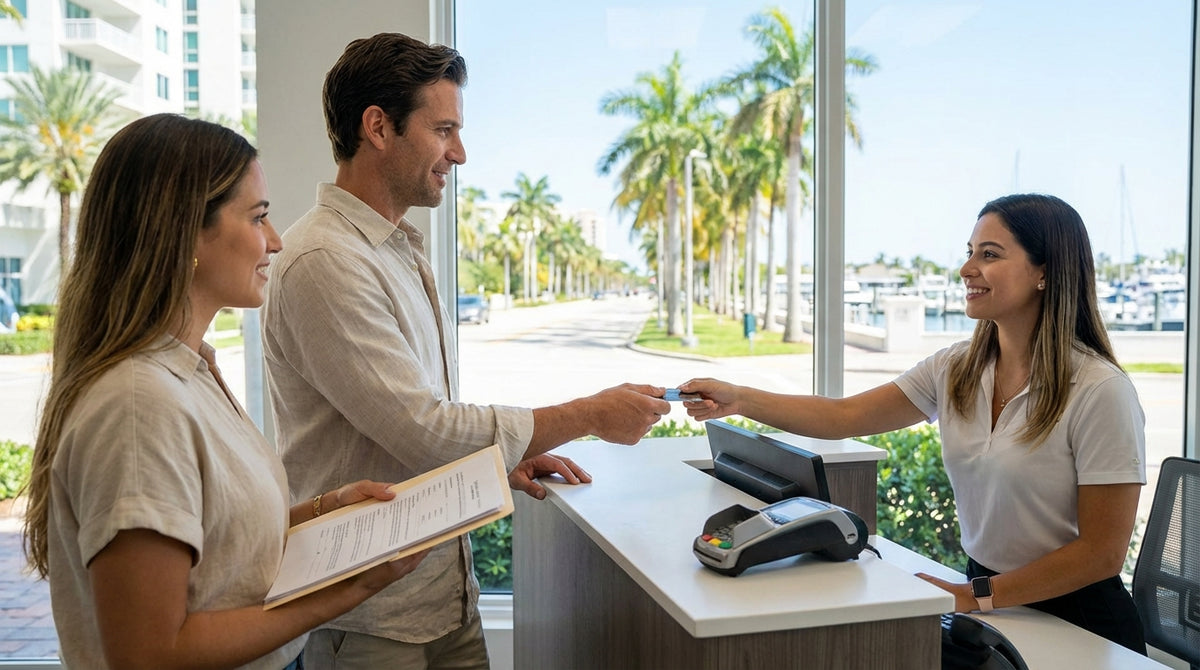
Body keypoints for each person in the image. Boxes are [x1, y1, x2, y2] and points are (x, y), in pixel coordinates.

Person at [261, 33, 669, 668]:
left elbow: (407, 430)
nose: (460, 152)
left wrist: (494, 467)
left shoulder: (395, 251)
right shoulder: (323, 261)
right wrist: (589, 413)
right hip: (370, 621)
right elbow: (424, 430)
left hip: (441, 598)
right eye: (444, 129)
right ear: (378, 127)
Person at [21, 114, 429, 670]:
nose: (277, 240)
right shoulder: (138, 406)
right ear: (186, 230)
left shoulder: (188, 371)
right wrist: (346, 591)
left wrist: (323, 509)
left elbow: (215, 551)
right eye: (259, 217)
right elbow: (148, 653)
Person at [680, 193, 1148, 654]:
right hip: (992, 600)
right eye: (970, 253)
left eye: (990, 254)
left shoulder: (1099, 390)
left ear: (1045, 272)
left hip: (1079, 620)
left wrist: (974, 596)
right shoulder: (956, 368)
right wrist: (738, 398)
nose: (967, 269)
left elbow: (1101, 553)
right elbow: (845, 416)